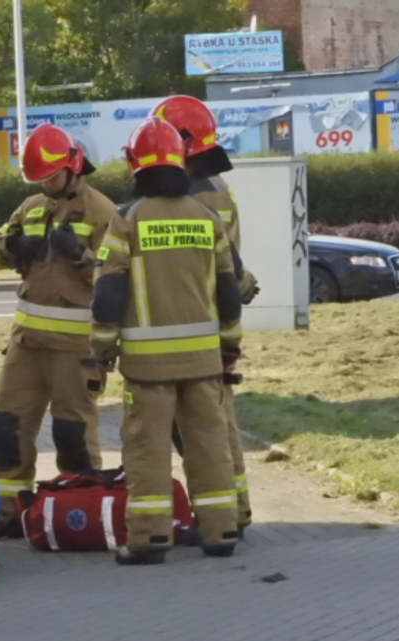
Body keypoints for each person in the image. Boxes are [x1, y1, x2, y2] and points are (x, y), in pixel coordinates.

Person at [91, 116, 244, 565]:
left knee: (148, 450)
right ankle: (222, 530)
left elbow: (108, 296)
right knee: (209, 445)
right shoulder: (206, 217)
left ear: (136, 165)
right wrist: (229, 347)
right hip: (204, 361)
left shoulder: (127, 220)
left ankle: (150, 538)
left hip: (147, 367)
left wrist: (101, 351)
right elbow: (229, 293)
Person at [0, 124, 118, 539]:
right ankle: (10, 511)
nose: (45, 183)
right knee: (5, 429)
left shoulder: (103, 212)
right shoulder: (31, 207)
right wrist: (10, 247)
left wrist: (82, 255)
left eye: (51, 176)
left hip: (75, 349)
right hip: (26, 344)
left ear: (73, 166)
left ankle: (81, 512)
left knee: (71, 435)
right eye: (39, 177)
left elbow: (117, 279)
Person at [152, 94, 259, 536]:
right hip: (208, 322)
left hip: (201, 325)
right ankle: (233, 511)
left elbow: (218, 267)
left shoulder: (202, 196)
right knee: (214, 427)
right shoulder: (211, 187)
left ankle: (227, 514)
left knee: (208, 431)